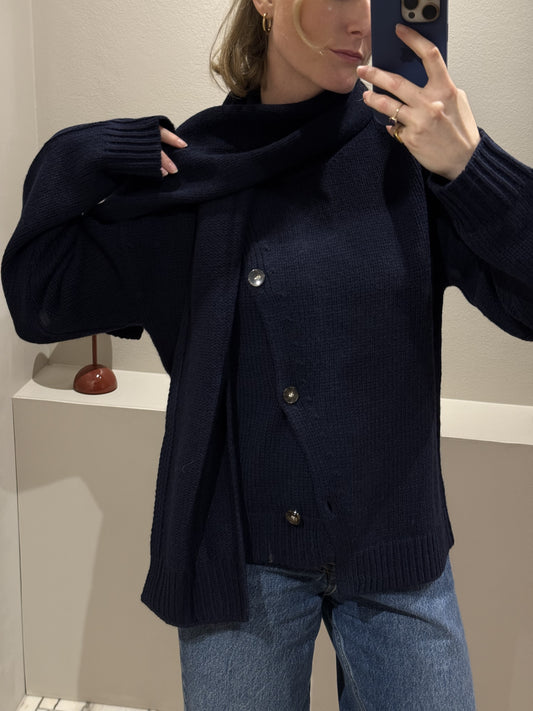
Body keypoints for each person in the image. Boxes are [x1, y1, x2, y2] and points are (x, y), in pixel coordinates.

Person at [2, 0, 532, 709]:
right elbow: (39, 299)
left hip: (395, 551)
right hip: (240, 561)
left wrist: (470, 166)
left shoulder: (409, 150)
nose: (362, 22)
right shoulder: (199, 169)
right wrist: (77, 152)